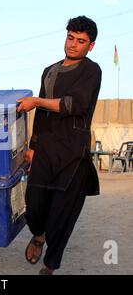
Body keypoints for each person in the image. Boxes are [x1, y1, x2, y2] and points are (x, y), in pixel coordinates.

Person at [17, 16, 102, 275]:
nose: (73, 44)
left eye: (81, 41)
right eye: (70, 38)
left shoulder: (91, 70)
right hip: (44, 151)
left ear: (91, 45)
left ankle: (50, 264)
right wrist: (32, 146)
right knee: (34, 206)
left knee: (62, 215)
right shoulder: (49, 70)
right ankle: (38, 235)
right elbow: (40, 115)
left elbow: (74, 104)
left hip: (72, 153)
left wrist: (38, 101)